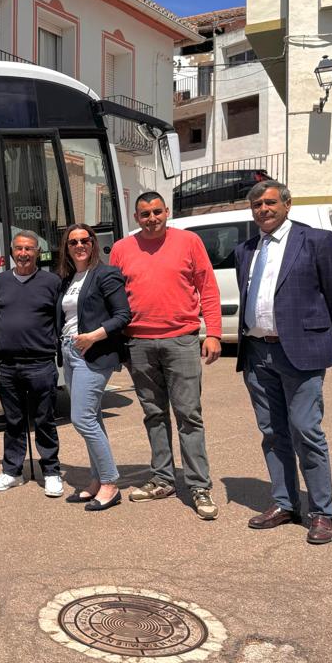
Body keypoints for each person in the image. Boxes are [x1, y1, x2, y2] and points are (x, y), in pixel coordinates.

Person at [236, 181, 332, 545]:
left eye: (270, 202)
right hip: (257, 352)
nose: (263, 209)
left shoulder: (315, 241)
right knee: (272, 433)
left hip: (300, 352)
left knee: (306, 431)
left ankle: (321, 512)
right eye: (256, 204)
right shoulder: (245, 249)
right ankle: (285, 503)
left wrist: (315, 337)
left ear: (287, 204)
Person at [109, 191, 223, 521]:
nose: (152, 218)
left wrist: (213, 332)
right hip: (139, 345)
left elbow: (208, 287)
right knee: (154, 414)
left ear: (166, 211)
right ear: (136, 217)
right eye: (145, 214)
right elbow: (113, 298)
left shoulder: (188, 242)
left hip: (181, 342)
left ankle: (199, 484)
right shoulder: (121, 249)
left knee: (189, 415)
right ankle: (163, 478)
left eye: (157, 211)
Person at [56, 224, 132, 512]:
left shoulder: (105, 273)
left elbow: (123, 315)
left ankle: (111, 483)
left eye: (85, 240)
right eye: (73, 241)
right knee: (93, 419)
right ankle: (97, 480)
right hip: (70, 352)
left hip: (93, 353)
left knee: (82, 419)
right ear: (67, 247)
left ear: (93, 243)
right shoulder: (68, 278)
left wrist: (94, 336)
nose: (79, 245)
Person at [0, 231, 63, 497]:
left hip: (40, 363)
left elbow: (58, 320)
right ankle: (12, 471)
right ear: (11, 251)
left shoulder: (51, 282)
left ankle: (51, 471)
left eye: (29, 249)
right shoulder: (0, 281)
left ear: (38, 252)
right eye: (19, 248)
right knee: (13, 421)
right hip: (7, 365)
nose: (23, 254)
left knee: (44, 420)